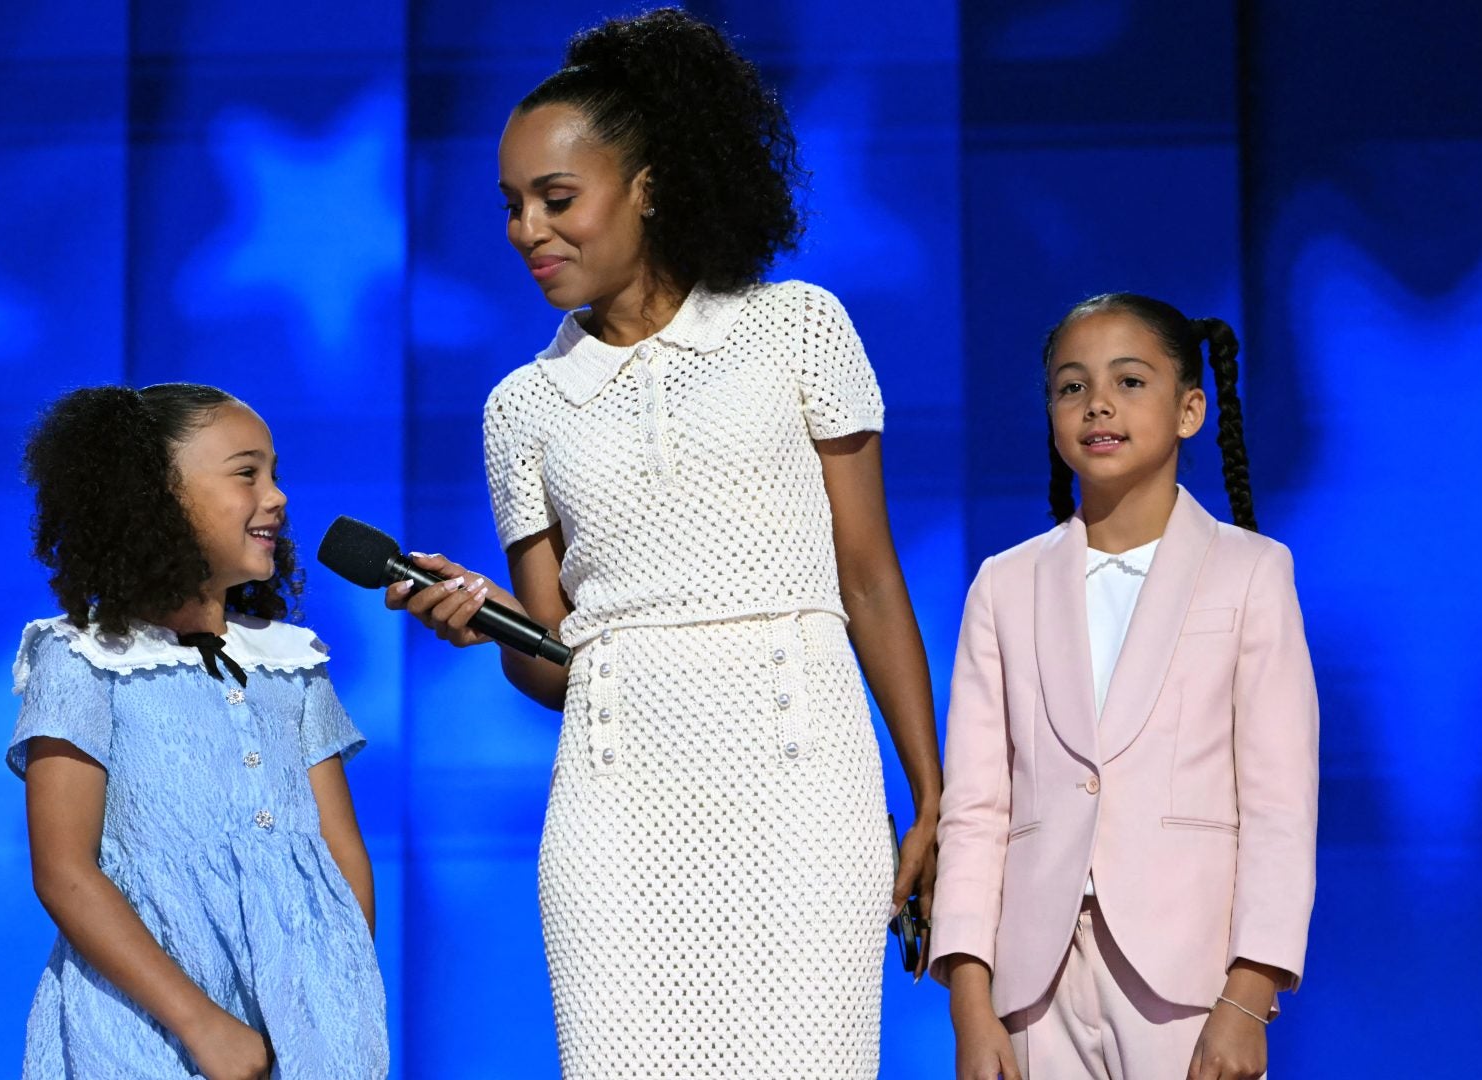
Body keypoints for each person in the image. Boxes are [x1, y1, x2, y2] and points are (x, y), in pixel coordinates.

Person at [390, 9, 942, 1077]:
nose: (528, 232)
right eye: (511, 208)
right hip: (615, 808)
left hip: (803, 781)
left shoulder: (797, 328)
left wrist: (933, 795)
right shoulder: (522, 406)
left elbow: (870, 579)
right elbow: (555, 657)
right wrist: (485, 627)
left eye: (558, 199)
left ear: (647, 185)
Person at [930, 294, 1319, 1080]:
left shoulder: (1251, 572)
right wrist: (972, 1003)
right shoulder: (1004, 586)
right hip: (1033, 983)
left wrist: (1247, 995)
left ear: (1190, 409)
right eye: (1071, 387)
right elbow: (975, 808)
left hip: (1189, 983)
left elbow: (1281, 804)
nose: (1098, 403)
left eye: (1130, 381)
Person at [9, 383, 387, 1080]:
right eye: (247, 473)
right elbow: (64, 871)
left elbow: (341, 855)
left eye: (275, 473)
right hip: (138, 1027)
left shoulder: (291, 661)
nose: (275, 497)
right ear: (150, 497)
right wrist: (201, 1025)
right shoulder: (85, 661)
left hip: (298, 1029)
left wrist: (335, 1000)